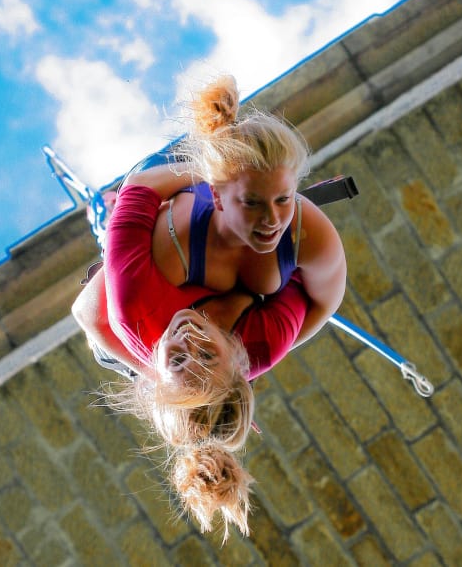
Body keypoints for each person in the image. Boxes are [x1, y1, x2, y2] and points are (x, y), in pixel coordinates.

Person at [72, 180, 310, 537]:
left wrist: (152, 367)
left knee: (125, 288)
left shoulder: (137, 321)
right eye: (207, 353)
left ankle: (114, 227)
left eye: (182, 358)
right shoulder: (263, 339)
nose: (190, 337)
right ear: (234, 358)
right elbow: (306, 271)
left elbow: (90, 315)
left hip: (137, 346)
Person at [133, 75, 347, 346]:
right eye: (253, 203)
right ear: (218, 197)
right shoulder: (174, 239)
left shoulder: (311, 235)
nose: (272, 220)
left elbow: (323, 306)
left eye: (283, 199)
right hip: (163, 173)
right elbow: (130, 315)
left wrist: (262, 360)